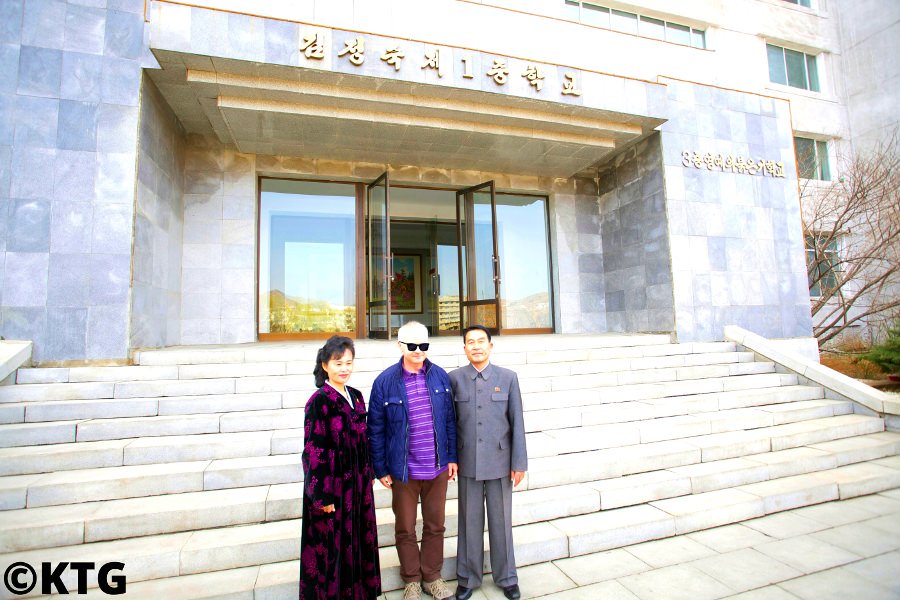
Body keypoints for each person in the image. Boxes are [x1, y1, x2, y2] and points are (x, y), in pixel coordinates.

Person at [367, 321, 458, 600]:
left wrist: (452, 457)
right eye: (412, 346)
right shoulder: (385, 382)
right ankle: (411, 580)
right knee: (405, 527)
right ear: (400, 345)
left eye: (424, 345)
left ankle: (432, 577)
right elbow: (376, 429)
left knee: (435, 525)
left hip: (437, 467)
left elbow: (450, 422)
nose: (419, 351)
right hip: (403, 471)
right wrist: (380, 467)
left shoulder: (441, 377)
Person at [449, 325, 527, 600]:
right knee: (469, 522)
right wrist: (450, 458)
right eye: (471, 342)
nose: (476, 346)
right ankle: (468, 578)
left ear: (490, 346)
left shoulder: (507, 378)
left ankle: (507, 577)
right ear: (465, 348)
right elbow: (449, 424)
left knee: (501, 521)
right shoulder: (454, 379)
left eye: (481, 341)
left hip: (500, 461)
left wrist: (519, 462)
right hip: (467, 461)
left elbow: (517, 422)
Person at [300, 336, 381, 599]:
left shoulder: (356, 396)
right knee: (332, 548)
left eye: (348, 363)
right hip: (333, 487)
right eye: (338, 363)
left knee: (357, 542)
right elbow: (313, 450)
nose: (344, 368)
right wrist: (321, 495)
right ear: (325, 365)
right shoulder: (318, 401)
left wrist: (368, 474)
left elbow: (364, 437)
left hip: (357, 486)